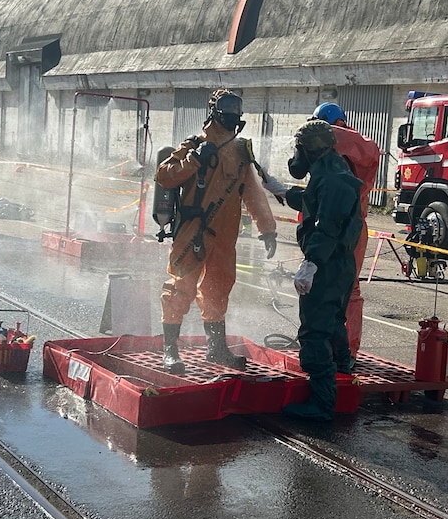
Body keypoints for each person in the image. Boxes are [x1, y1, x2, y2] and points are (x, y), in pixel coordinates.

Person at [155, 89, 278, 374]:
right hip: (193, 231)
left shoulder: (241, 151)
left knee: (218, 289)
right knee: (179, 288)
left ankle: (217, 349)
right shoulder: (196, 144)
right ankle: (170, 350)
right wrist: (195, 159)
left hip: (224, 237)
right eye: (227, 106)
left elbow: (254, 193)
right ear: (214, 110)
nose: (233, 112)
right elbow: (164, 175)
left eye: (237, 106)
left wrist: (267, 229)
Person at [282, 120, 363, 421]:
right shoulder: (330, 171)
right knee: (332, 323)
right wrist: (283, 192)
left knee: (315, 331)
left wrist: (311, 262)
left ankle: (322, 403)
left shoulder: (333, 179)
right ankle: (343, 370)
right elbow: (315, 202)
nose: (296, 155)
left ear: (308, 149)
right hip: (337, 264)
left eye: (298, 148)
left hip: (328, 265)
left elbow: (327, 225)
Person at [293, 102, 380, 363]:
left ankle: (327, 356)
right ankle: (347, 351)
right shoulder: (360, 148)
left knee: (322, 295)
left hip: (330, 231)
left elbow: (327, 211)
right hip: (355, 228)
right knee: (347, 290)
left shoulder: (328, 145)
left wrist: (312, 260)